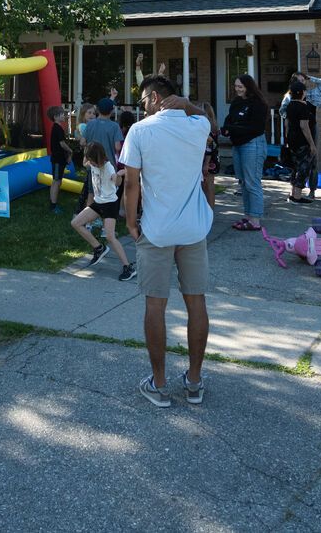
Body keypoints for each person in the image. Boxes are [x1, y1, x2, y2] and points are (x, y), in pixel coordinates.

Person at [121, 76, 214, 408]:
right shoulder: (196, 126)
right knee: (196, 303)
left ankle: (159, 383)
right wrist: (188, 104)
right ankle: (194, 380)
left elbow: (132, 184)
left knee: (155, 306)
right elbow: (208, 118)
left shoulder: (141, 131)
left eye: (143, 99)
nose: (141, 106)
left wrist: (131, 223)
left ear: (155, 96)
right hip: (193, 229)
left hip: (157, 230)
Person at [69, 142, 135, 281]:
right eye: (89, 160)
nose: (90, 163)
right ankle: (99, 248)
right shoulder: (91, 164)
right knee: (76, 223)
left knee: (110, 237)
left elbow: (117, 184)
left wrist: (118, 175)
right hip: (98, 202)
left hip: (110, 204)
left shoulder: (108, 167)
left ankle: (128, 267)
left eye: (92, 160)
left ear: (98, 159)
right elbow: (85, 162)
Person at [223, 74, 271, 231]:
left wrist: (233, 129)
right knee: (243, 181)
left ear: (248, 87)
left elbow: (256, 128)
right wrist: (226, 128)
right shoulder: (237, 102)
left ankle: (255, 219)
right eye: (236, 86)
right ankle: (248, 216)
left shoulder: (258, 104)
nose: (237, 89)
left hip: (253, 144)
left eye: (240, 87)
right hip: (238, 144)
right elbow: (229, 119)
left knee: (252, 181)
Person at [283, 74, 319, 203]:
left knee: (295, 167)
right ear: (302, 92)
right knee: (304, 168)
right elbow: (304, 126)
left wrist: (287, 139)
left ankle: (293, 194)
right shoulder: (303, 106)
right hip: (302, 142)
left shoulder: (290, 106)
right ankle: (297, 196)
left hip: (292, 141)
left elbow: (286, 124)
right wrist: (312, 144)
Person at [46, 105, 72, 213]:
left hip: (60, 159)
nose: (64, 116)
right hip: (57, 160)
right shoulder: (57, 128)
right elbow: (62, 144)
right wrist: (70, 150)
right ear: (56, 117)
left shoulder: (58, 127)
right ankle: (53, 205)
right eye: (62, 114)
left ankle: (53, 201)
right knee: (56, 181)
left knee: (58, 181)